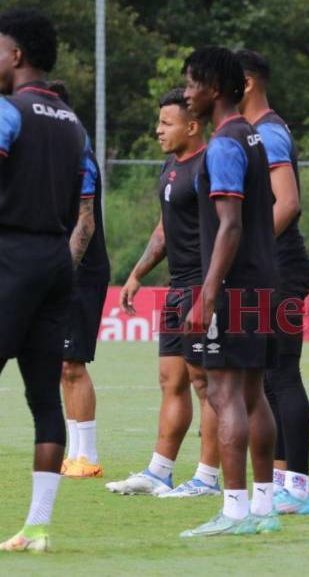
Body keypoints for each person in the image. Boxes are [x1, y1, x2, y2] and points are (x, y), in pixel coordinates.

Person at [181, 46, 279, 536]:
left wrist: (207, 293)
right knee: (253, 392)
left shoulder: (222, 144)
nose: (186, 93)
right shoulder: (253, 137)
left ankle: (235, 510)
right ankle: (263, 507)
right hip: (264, 279)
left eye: (192, 83)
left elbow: (230, 226)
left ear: (214, 89)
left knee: (224, 393)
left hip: (234, 285)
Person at [0, 9, 89, 552]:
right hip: (55, 260)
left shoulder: (9, 111)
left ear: (15, 55)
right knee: (43, 397)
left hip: (11, 256)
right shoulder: (73, 123)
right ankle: (37, 527)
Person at [106, 89, 220, 497]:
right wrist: (137, 274)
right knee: (170, 380)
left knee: (205, 383)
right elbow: (164, 228)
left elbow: (230, 226)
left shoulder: (210, 165)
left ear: (192, 126)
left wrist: (213, 291)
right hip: (176, 288)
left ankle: (207, 478)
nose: (158, 130)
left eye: (166, 123)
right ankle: (159, 471)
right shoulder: (171, 167)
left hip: (204, 289)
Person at [235, 49, 309, 515]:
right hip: (268, 267)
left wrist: (246, 251)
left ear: (244, 83)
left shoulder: (267, 132)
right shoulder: (254, 132)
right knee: (267, 379)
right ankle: (284, 482)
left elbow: (287, 204)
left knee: (282, 376)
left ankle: (298, 488)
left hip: (280, 267)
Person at [45, 80, 110, 480]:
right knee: (60, 363)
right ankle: (74, 453)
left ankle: (87, 455)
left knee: (73, 362)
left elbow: (85, 221)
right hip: (57, 271)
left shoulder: (78, 153)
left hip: (80, 271)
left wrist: (62, 275)